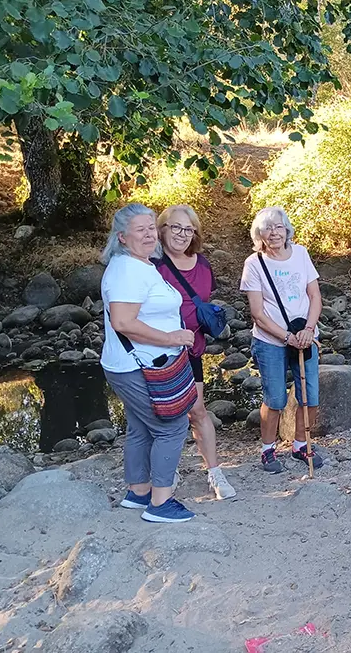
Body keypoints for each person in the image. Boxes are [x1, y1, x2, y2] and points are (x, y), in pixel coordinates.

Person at [101, 203, 197, 523]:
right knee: (172, 426)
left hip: (134, 362)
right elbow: (123, 322)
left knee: (140, 427)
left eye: (151, 228)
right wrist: (173, 338)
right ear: (122, 237)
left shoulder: (138, 264)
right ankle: (160, 503)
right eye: (139, 230)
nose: (149, 235)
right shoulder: (128, 269)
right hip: (135, 365)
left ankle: (138, 492)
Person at [155, 204, 236, 500]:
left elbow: (201, 300)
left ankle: (215, 473)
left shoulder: (202, 264)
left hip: (191, 349)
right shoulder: (152, 265)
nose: (181, 234)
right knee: (165, 415)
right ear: (162, 229)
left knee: (198, 410)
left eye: (188, 229)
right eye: (175, 227)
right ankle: (167, 473)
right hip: (159, 349)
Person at [240, 207, 323, 473]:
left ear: (287, 229)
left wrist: (309, 329)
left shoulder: (301, 253)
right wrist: (287, 337)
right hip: (271, 340)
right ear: (259, 234)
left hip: (305, 335)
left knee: (309, 396)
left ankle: (301, 444)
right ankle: (267, 450)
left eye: (278, 227)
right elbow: (257, 313)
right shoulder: (254, 263)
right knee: (275, 398)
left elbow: (315, 296)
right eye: (267, 228)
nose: (273, 233)